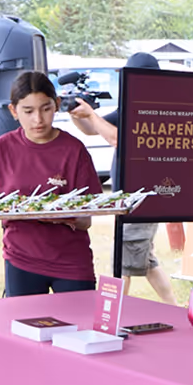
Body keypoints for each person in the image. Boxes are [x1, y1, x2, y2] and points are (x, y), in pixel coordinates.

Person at [0, 72, 102, 297]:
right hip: (21, 260)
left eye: (46, 109)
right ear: (13, 111)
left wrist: (51, 213)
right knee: (24, 328)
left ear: (57, 105)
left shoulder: (74, 150)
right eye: (28, 111)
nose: (38, 119)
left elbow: (85, 221)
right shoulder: (1, 148)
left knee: (79, 327)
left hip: (71, 261)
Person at [68, 52, 179, 306]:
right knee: (146, 261)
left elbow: (120, 140)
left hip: (141, 198)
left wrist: (92, 116)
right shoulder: (131, 103)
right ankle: (176, 309)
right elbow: (93, 130)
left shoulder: (156, 107)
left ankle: (111, 315)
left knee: (122, 264)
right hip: (128, 198)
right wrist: (78, 114)